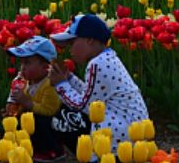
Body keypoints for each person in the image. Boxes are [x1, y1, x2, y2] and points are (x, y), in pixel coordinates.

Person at [48, 14, 149, 152]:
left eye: (72, 43)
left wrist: (61, 85)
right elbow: (92, 95)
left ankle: (100, 162)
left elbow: (83, 105)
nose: (70, 50)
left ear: (89, 40)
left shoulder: (97, 64)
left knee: (63, 120)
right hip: (133, 128)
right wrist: (69, 79)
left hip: (123, 132)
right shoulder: (107, 58)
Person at [4, 36, 79, 162]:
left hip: (56, 123)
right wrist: (14, 105)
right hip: (36, 117)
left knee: (38, 120)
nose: (22, 68)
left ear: (45, 67)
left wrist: (26, 103)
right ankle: (29, 146)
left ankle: (54, 150)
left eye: (27, 63)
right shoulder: (26, 81)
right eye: (21, 63)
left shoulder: (51, 84)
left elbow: (50, 110)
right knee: (17, 119)